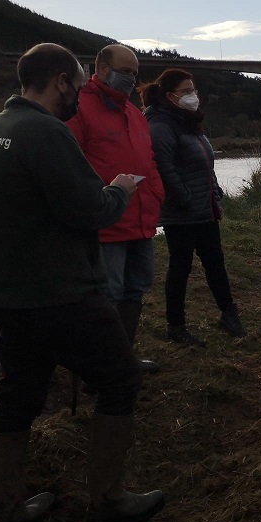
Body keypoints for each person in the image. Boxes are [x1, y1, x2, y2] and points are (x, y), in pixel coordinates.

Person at [0, 43, 164, 522]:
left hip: (7, 293)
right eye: (77, 83)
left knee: (18, 398)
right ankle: (107, 501)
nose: (80, 93)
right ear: (61, 80)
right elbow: (91, 210)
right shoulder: (47, 133)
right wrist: (120, 190)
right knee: (121, 380)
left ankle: (6, 510)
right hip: (61, 294)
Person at [67, 44, 165, 374]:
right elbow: (71, 166)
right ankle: (102, 366)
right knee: (108, 295)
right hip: (107, 224)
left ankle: (123, 359)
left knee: (136, 289)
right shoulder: (79, 108)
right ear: (103, 69)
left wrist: (157, 196)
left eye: (135, 73)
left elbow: (147, 162)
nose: (131, 78)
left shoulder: (134, 114)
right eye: (126, 71)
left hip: (141, 221)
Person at [141, 68, 246, 347]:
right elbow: (163, 166)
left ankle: (228, 313)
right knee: (180, 267)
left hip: (204, 207)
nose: (193, 96)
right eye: (186, 91)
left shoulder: (189, 122)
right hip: (182, 212)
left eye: (193, 90)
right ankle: (176, 325)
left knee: (215, 262)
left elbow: (205, 162)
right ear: (170, 96)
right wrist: (185, 197)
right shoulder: (161, 124)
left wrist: (214, 190)